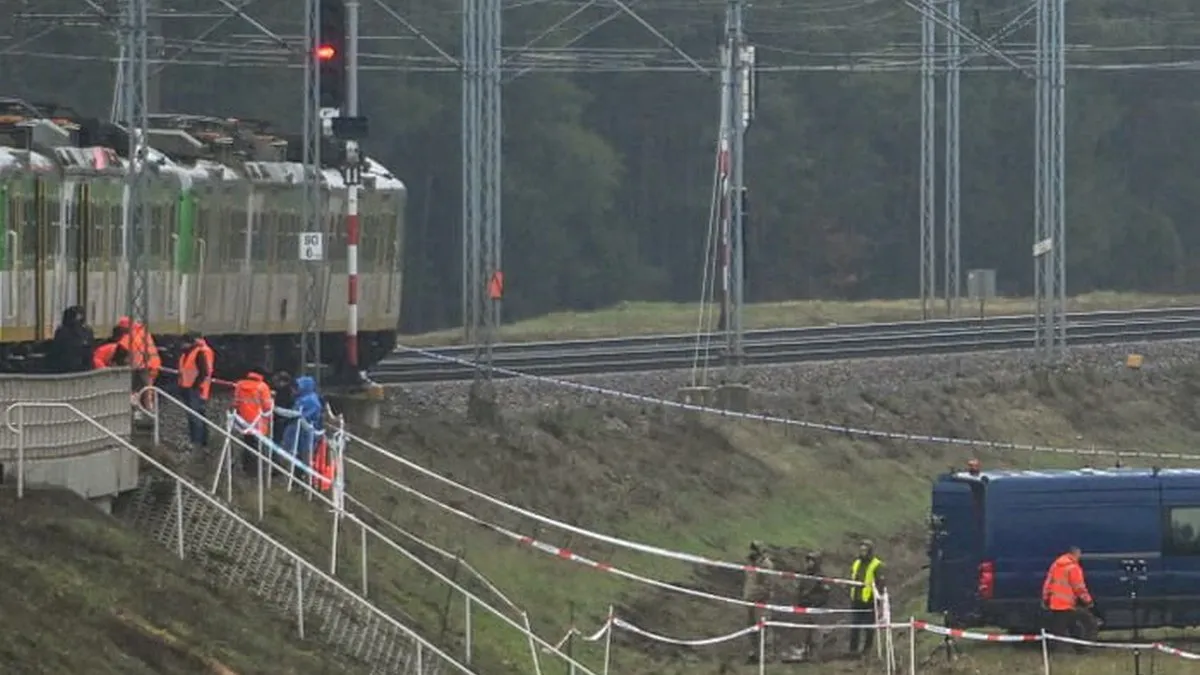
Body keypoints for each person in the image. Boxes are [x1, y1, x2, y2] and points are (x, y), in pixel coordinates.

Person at [1042, 546, 1098, 650]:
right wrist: (1088, 601)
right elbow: (1079, 588)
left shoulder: (1055, 565)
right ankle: (1079, 648)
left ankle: (1078, 648)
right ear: (1075, 554)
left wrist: (1045, 599)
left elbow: (1048, 583)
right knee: (1088, 623)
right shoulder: (1073, 568)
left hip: (1055, 604)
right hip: (1067, 604)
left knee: (1066, 628)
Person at [783, 551, 832, 662]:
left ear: (817, 562)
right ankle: (800, 652)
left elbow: (825, 595)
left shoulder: (821, 577)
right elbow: (800, 590)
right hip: (803, 607)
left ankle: (814, 654)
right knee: (801, 631)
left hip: (816, 609)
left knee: (815, 633)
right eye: (808, 560)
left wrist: (813, 602)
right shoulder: (804, 575)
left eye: (812, 561)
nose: (809, 563)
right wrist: (800, 600)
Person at [283, 375, 327, 481]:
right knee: (297, 456)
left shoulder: (310, 400)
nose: (293, 391)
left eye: (296, 388)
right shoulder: (302, 398)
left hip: (306, 435)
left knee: (306, 458)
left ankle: (306, 482)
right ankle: (297, 479)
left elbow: (301, 415)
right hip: (298, 434)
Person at [176, 332, 215, 451]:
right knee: (195, 416)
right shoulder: (186, 354)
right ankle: (200, 442)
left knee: (195, 417)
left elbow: (204, 372)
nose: (181, 345)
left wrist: (195, 385)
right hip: (188, 389)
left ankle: (198, 443)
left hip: (195, 390)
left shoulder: (198, 353)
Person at [232, 368, 274, 476]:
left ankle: (246, 467)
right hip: (258, 422)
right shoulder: (262, 387)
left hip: (243, 421)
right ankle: (256, 471)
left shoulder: (240, 384)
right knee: (258, 447)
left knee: (247, 443)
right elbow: (267, 406)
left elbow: (235, 403)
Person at [848, 539, 885, 657]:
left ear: (870, 551)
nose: (862, 552)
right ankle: (852, 650)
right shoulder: (856, 563)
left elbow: (880, 583)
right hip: (856, 599)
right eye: (861, 550)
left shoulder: (877, 565)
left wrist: (879, 600)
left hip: (870, 600)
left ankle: (867, 650)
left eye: (865, 550)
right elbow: (852, 577)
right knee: (855, 625)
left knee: (869, 627)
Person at [743, 541, 775, 663]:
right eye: (751, 549)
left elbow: (768, 586)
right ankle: (754, 654)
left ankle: (767, 655)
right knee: (751, 628)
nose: (752, 551)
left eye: (755, 549)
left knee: (763, 628)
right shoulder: (750, 564)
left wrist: (757, 595)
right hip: (749, 600)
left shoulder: (766, 565)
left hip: (761, 601)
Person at [48, 305, 94, 373]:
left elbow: (56, 351)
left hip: (65, 370)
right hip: (84, 370)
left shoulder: (62, 331)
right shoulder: (87, 331)